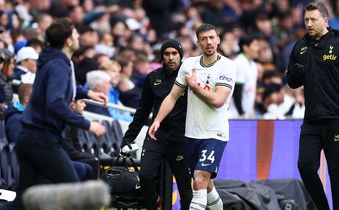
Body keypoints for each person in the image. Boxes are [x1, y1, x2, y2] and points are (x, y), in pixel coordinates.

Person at [0, 18, 106, 210]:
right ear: (68, 41)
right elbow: (55, 103)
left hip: (32, 138)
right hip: (42, 139)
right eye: (75, 33)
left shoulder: (56, 60)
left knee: (22, 204)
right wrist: (88, 125)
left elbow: (65, 87)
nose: (78, 36)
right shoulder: (58, 65)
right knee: (75, 191)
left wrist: (87, 92)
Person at [286, 2, 339, 210]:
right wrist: (295, 76)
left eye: (313, 19)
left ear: (326, 20)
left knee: (337, 171)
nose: (309, 23)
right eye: (306, 19)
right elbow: (292, 82)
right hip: (312, 121)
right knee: (305, 166)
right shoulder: (300, 48)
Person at [149, 23, 236, 210]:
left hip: (214, 134)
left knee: (198, 180)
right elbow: (172, 96)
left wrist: (195, 86)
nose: (209, 42)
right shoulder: (188, 65)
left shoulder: (227, 66)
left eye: (212, 38)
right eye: (204, 39)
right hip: (191, 134)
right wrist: (157, 120)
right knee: (206, 184)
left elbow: (218, 100)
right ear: (198, 43)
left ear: (218, 40)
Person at [121, 39, 192, 210]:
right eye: (166, 54)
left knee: (184, 186)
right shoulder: (153, 78)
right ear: (162, 57)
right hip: (156, 137)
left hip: (180, 139)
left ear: (180, 56)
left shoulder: (189, 78)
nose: (170, 57)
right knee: (145, 176)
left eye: (174, 53)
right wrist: (128, 138)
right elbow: (142, 111)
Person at [62, 99, 100, 180]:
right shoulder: (64, 122)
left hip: (70, 156)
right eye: (81, 102)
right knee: (93, 162)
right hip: (63, 157)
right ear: (73, 105)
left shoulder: (74, 121)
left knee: (96, 161)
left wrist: (89, 156)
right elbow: (68, 150)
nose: (85, 105)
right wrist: (91, 157)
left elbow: (76, 145)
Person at [229, 34, 260, 119]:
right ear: (245, 47)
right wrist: (241, 113)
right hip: (235, 113)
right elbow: (237, 90)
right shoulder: (239, 62)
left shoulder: (253, 64)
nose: (258, 48)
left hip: (247, 113)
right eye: (255, 45)